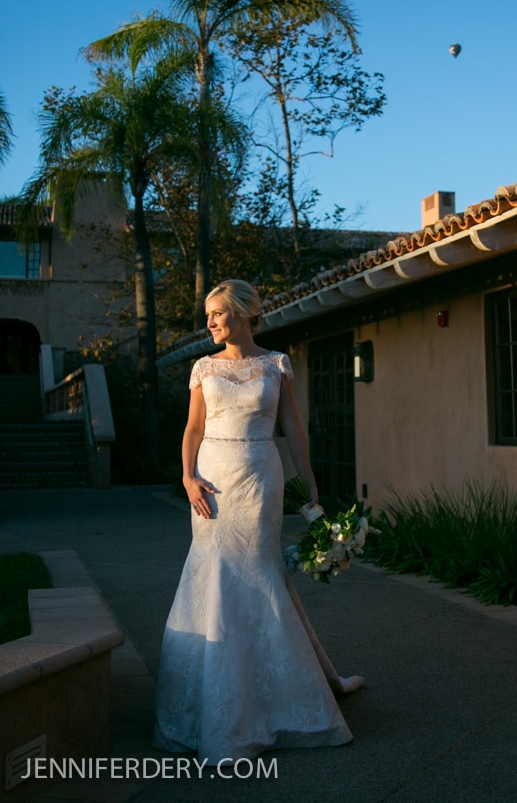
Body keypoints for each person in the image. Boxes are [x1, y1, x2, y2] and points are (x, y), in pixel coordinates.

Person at [152, 279, 364, 765]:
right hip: (211, 480)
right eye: (207, 314)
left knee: (263, 575)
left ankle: (293, 696)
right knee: (216, 576)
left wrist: (308, 482)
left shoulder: (276, 364)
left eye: (217, 313)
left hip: (259, 479)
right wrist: (186, 478)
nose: (209, 322)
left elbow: (292, 425)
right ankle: (216, 704)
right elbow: (192, 428)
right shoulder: (203, 367)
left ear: (244, 313)